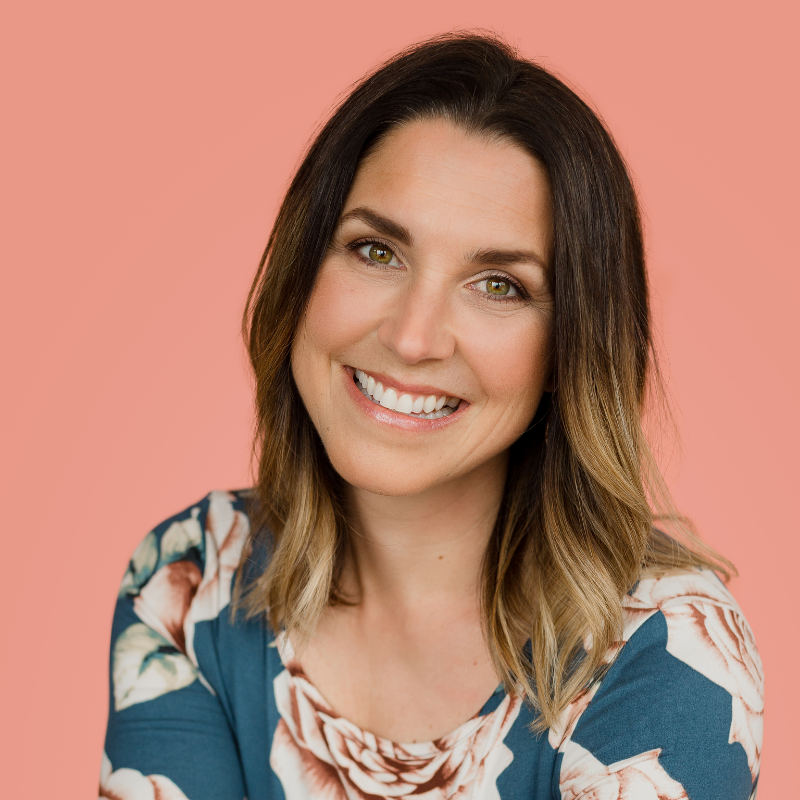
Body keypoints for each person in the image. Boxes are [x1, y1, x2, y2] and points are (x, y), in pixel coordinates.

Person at [100, 34, 763, 800]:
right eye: (377, 251)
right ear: (302, 269)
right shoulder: (190, 583)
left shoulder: (665, 650)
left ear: (569, 349)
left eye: (499, 285)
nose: (412, 339)